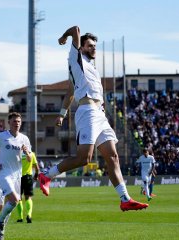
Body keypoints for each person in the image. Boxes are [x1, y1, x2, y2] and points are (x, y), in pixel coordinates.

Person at [38, 25, 149, 211]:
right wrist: (64, 36)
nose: (93, 48)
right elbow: (76, 29)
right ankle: (47, 175)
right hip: (87, 112)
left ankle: (124, 199)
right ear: (80, 47)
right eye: (89, 45)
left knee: (113, 156)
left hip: (100, 115)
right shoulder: (76, 58)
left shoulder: (89, 68)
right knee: (84, 158)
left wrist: (61, 114)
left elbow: (70, 92)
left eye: (95, 46)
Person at [0, 112, 31, 240]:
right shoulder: (1, 136)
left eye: (19, 121)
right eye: (14, 121)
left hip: (17, 175)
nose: (17, 123)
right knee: (14, 200)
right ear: (9, 123)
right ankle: (0, 222)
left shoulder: (24, 139)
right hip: (4, 173)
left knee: (12, 204)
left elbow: (29, 159)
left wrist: (27, 153)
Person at [16, 151, 40, 223]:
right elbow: (37, 168)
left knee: (18, 198)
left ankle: (20, 218)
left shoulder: (17, 154)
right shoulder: (31, 154)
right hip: (28, 177)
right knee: (28, 197)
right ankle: (29, 215)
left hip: (17, 178)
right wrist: (36, 176)